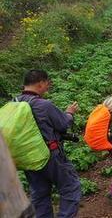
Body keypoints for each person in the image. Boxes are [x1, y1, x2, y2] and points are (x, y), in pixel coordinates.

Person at [16, 69, 81, 218]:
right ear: (40, 83)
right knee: (71, 187)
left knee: (39, 193)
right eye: (47, 83)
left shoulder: (14, 104)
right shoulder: (43, 105)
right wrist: (69, 113)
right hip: (50, 155)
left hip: (26, 157)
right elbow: (63, 124)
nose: (47, 87)